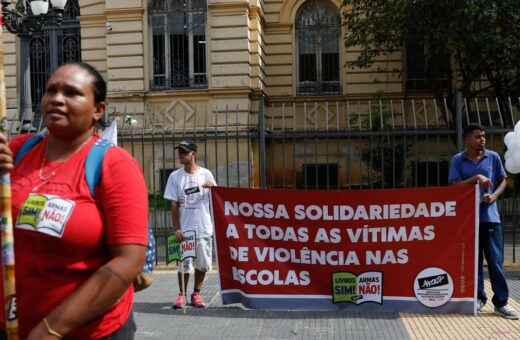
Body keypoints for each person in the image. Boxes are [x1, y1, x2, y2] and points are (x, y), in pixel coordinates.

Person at [0, 62, 149, 339]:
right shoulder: (18, 150)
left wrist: (51, 329)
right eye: (51, 90)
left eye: (71, 92)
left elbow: (128, 261)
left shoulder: (114, 165)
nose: (57, 98)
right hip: (11, 325)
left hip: (87, 331)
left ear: (98, 110)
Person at [448, 123, 519, 320]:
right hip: (467, 221)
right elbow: (454, 187)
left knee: (495, 262)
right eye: (478, 136)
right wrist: (476, 178)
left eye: (484, 136)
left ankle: (502, 303)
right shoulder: (458, 160)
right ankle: (479, 299)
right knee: (474, 263)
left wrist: (494, 196)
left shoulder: (493, 157)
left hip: (490, 219)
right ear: (468, 140)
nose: (482, 139)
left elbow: (503, 180)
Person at [163, 140, 216, 308]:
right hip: (185, 229)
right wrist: (176, 228)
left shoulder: (206, 174)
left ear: (193, 154)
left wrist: (212, 188)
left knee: (203, 263)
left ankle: (196, 293)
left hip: (203, 227)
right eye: (179, 152)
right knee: (183, 263)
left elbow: (217, 199)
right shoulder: (175, 176)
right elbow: (173, 204)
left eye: (184, 152)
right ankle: (181, 294)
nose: (180, 155)